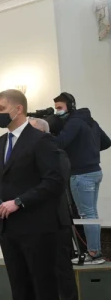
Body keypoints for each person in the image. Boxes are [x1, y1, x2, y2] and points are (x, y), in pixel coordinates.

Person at [0, 91, 67, 300]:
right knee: (19, 286)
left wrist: (19, 202)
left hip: (37, 224)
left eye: (1, 107)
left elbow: (54, 181)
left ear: (18, 109)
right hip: (8, 225)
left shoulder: (41, 140)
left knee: (43, 286)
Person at [29, 117, 82, 300]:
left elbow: (55, 185)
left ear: (42, 133)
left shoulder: (58, 154)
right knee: (38, 270)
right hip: (35, 221)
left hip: (56, 219)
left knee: (61, 269)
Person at [53, 92, 107, 263]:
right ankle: (95, 252)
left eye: (59, 108)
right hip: (95, 171)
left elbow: (60, 142)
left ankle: (93, 254)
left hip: (81, 174)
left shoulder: (74, 122)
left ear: (70, 106)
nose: (57, 112)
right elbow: (106, 142)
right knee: (92, 214)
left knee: (87, 215)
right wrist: (88, 149)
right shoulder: (89, 121)